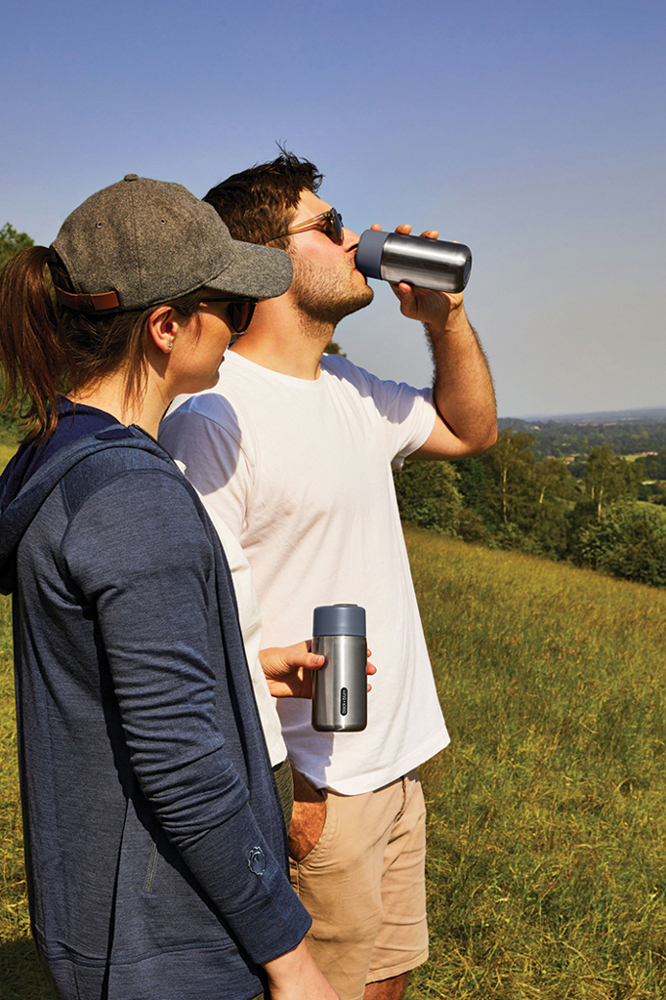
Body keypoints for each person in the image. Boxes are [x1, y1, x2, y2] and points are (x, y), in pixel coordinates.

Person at [159, 152, 497, 1000]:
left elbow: (470, 430)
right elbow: (196, 624)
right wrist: (296, 788)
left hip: (396, 762)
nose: (357, 241)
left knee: (386, 984)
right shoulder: (213, 415)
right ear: (267, 262)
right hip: (318, 782)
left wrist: (445, 321)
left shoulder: (349, 388)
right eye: (329, 226)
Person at [0, 174, 342, 1000]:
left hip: (107, 917)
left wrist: (237, 669)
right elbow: (182, 764)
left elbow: (113, 681)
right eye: (227, 304)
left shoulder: (58, 457)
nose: (241, 323)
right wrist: (290, 958)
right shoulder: (135, 498)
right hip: (167, 938)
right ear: (164, 327)